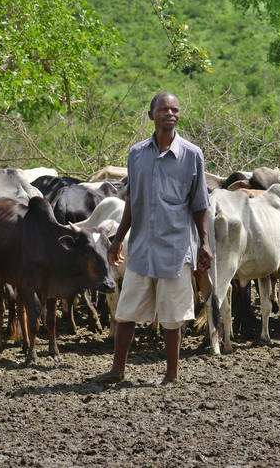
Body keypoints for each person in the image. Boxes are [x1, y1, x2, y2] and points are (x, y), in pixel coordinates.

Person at [95, 92, 212, 385]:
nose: (169, 114)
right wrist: (118, 238)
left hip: (175, 247)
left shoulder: (192, 154)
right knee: (127, 311)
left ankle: (171, 375)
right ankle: (117, 369)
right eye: (163, 110)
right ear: (151, 115)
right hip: (142, 246)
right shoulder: (136, 154)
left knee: (173, 317)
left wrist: (205, 244)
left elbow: (200, 205)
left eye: (174, 109)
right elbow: (133, 200)